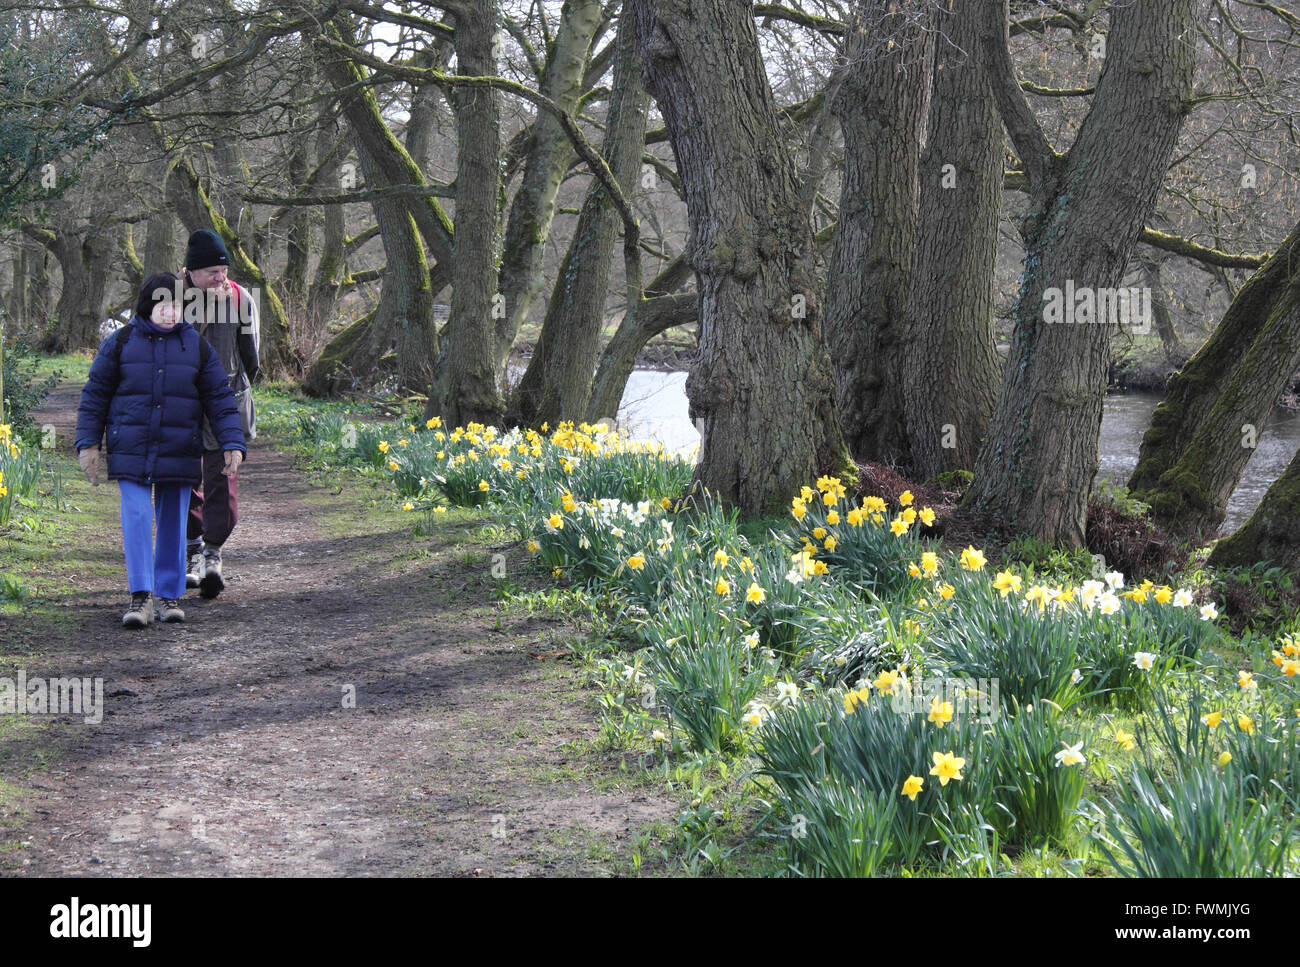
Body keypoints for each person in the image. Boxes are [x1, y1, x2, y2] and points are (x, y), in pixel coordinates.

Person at [75, 273, 246, 627]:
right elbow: (94, 397)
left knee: (172, 521)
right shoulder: (119, 342)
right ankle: (140, 597)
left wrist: (232, 443)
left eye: (175, 305)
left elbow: (220, 399)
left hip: (179, 449)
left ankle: (168, 596)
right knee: (137, 514)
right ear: (147, 306)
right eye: (162, 305)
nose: (169, 313)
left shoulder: (197, 347)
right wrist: (89, 444)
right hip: (131, 448)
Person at [180, 229, 260, 599]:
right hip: (180, 405)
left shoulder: (242, 299)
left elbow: (251, 357)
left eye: (223, 269)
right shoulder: (171, 298)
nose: (220, 278)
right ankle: (192, 551)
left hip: (225, 406)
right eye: (212, 271)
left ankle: (213, 553)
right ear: (191, 272)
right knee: (184, 480)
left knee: (222, 481)